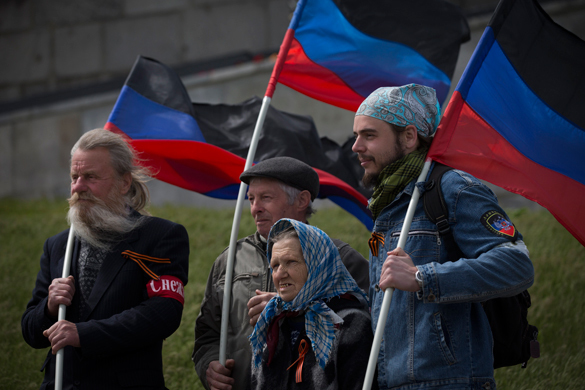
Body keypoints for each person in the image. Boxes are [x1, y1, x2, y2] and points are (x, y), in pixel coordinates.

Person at [352, 84, 534, 389]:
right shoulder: (387, 206)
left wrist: (423, 278)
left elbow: (516, 264)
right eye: (356, 135)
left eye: (369, 135)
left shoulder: (453, 187)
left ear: (409, 137)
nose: (356, 146)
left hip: (449, 381)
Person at [21, 128, 189, 390]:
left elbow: (163, 313)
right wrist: (50, 306)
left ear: (124, 183)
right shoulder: (57, 246)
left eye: (90, 177)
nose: (77, 187)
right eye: (74, 177)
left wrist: (83, 334)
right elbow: (31, 331)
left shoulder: (161, 235)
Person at [192, 156, 369, 390]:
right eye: (251, 199)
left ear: (302, 200)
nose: (255, 208)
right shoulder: (229, 260)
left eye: (266, 197)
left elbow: (366, 329)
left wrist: (290, 308)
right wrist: (209, 365)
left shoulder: (340, 258)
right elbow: (207, 334)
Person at [249, 218, 375, 389]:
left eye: (291, 262)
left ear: (317, 265)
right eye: (275, 265)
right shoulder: (271, 322)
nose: (280, 274)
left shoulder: (350, 324)